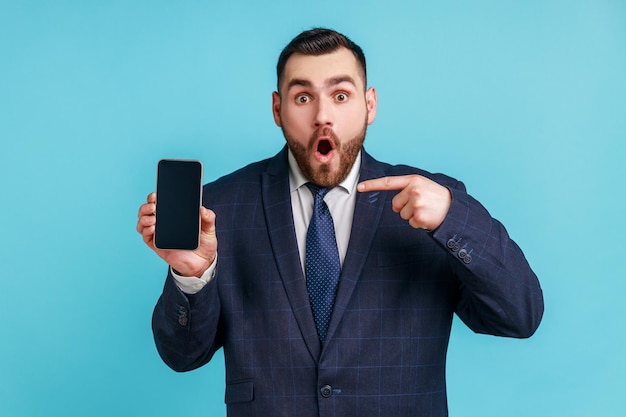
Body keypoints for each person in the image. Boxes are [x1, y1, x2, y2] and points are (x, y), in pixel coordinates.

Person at [137, 28, 543, 417]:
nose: (322, 116)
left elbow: (520, 315)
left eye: (341, 95)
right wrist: (193, 277)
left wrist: (454, 217)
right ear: (277, 109)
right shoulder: (220, 208)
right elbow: (182, 356)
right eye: (302, 98)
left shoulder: (432, 204)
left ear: (369, 105)